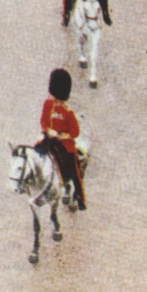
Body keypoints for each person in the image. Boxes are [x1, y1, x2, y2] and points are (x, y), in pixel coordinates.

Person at [37, 68, 86, 210]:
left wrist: (59, 135)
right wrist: (47, 131)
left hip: (64, 143)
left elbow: (75, 132)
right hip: (49, 138)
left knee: (73, 168)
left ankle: (79, 196)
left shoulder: (68, 112)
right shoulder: (47, 105)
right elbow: (43, 120)